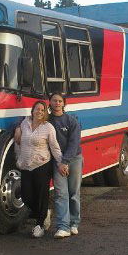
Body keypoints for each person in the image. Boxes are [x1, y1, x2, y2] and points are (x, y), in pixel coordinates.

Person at [14, 100, 63, 238]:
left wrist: (61, 163)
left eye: (42, 110)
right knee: (26, 196)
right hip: (25, 165)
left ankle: (39, 225)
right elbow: (19, 141)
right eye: (37, 109)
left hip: (42, 165)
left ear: (45, 112)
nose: (40, 112)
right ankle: (44, 213)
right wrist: (18, 157)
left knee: (42, 195)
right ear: (33, 110)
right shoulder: (25, 123)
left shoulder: (48, 127)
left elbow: (54, 146)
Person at [48, 93, 83, 239]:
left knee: (73, 192)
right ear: (49, 103)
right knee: (61, 193)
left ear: (64, 104)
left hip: (73, 159)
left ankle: (74, 223)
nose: (57, 103)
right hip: (57, 161)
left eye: (59, 101)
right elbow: (30, 123)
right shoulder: (46, 121)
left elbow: (74, 143)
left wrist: (65, 162)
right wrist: (18, 130)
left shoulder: (71, 120)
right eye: (54, 100)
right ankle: (63, 227)